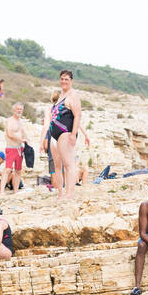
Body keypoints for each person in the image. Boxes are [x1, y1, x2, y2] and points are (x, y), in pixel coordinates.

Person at [49, 69, 82, 199]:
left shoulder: (73, 95)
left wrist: (73, 134)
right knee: (57, 166)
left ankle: (70, 193)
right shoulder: (60, 95)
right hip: (54, 135)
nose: (63, 81)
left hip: (66, 133)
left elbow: (77, 115)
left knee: (69, 164)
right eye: (62, 78)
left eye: (66, 79)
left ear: (71, 81)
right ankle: (60, 194)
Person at [4, 102, 28, 193]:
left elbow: (23, 133)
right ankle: (2, 191)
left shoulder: (20, 121)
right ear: (14, 110)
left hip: (19, 148)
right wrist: (21, 139)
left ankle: (16, 191)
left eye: (21, 109)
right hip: (11, 147)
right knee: (8, 169)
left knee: (18, 171)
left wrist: (28, 142)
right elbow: (9, 134)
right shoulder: (10, 120)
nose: (19, 111)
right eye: (18, 109)